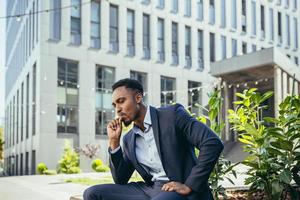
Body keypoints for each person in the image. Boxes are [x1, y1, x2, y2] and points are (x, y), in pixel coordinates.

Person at [84, 78, 224, 200]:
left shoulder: (172, 115)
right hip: (149, 190)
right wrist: (114, 143)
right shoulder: (129, 139)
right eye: (115, 105)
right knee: (92, 194)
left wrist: (189, 185)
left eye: (121, 101)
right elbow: (121, 179)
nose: (118, 109)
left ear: (138, 98)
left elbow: (212, 143)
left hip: (177, 189)